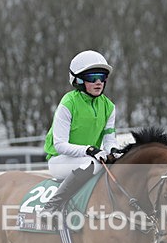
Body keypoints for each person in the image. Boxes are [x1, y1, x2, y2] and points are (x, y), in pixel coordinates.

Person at [40, 50, 119, 213]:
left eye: (102, 77)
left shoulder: (109, 106)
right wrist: (89, 150)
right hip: (60, 160)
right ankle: (52, 206)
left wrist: (115, 152)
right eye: (92, 77)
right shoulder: (68, 103)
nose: (98, 82)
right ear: (78, 80)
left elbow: (109, 140)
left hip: (88, 159)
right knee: (93, 163)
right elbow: (60, 145)